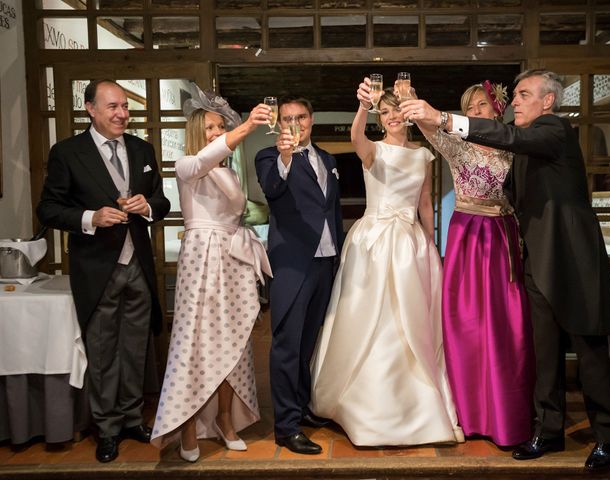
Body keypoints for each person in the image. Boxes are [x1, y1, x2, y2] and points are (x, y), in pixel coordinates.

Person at [403, 69, 610, 471]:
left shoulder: (554, 131)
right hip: (534, 261)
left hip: (573, 262)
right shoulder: (523, 146)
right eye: (515, 95)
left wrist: (448, 118)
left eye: (523, 95)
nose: (516, 102)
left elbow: (509, 137)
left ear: (548, 102)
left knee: (590, 352)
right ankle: (548, 431)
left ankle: (608, 436)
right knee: (544, 352)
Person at [309, 82, 464, 447]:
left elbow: (425, 202)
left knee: (412, 319)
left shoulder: (423, 155)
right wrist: (364, 105)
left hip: (411, 242)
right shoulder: (372, 150)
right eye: (387, 112)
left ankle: (414, 404)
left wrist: (430, 244)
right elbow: (355, 135)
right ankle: (363, 404)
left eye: (398, 111)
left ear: (408, 116)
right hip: (374, 242)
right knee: (371, 317)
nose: (393, 117)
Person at [36, 79, 170, 463]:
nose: (122, 114)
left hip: (138, 265)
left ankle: (131, 418)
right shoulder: (68, 153)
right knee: (102, 350)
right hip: (96, 268)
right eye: (112, 107)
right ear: (90, 109)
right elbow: (47, 208)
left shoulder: (142, 149)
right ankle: (107, 427)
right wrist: (89, 217)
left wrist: (147, 207)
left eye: (125, 106)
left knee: (135, 347)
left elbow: (160, 200)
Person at [150, 85, 273, 461]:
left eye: (221, 127)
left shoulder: (229, 175)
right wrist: (247, 126)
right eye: (211, 128)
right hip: (202, 259)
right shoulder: (187, 167)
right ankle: (186, 424)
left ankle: (224, 419)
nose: (218, 134)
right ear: (196, 133)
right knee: (194, 343)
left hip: (233, 259)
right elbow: (206, 159)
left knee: (233, 344)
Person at [417, 81, 534, 447]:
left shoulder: (514, 145)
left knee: (506, 324)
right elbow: (427, 125)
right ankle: (470, 414)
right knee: (468, 323)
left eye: (482, 105)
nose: (476, 112)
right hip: (469, 236)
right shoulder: (457, 144)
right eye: (470, 108)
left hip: (504, 237)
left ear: (497, 108)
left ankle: (507, 414)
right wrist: (411, 102)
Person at [255, 96, 344, 455]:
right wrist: (285, 158)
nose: (295, 123)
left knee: (308, 344)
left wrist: (338, 259)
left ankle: (303, 407)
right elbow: (272, 189)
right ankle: (286, 426)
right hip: (292, 265)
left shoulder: (329, 160)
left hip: (325, 263)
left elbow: (332, 211)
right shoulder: (268, 157)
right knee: (286, 347)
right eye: (288, 118)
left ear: (312, 118)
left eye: (301, 116)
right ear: (279, 122)